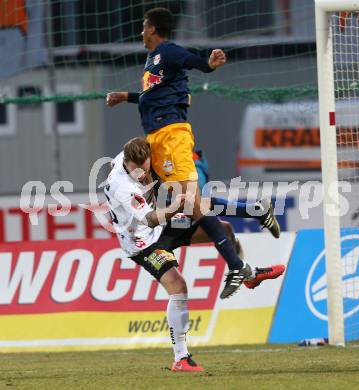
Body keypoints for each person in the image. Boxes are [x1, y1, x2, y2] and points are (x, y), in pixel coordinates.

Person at [106, 7, 281, 299]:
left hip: (172, 135)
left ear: (152, 28)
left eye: (143, 26)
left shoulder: (169, 52)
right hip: (159, 138)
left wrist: (209, 64)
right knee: (192, 203)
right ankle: (255, 212)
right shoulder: (152, 61)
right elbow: (154, 95)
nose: (140, 32)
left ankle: (237, 265)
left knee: (192, 205)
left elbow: (194, 62)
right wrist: (126, 97)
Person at [104, 137, 285, 372]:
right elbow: (150, 219)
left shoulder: (130, 155)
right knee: (178, 286)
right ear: (125, 162)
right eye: (134, 169)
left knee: (215, 221)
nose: (139, 173)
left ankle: (253, 228)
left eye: (143, 166)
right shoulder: (122, 187)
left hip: (160, 228)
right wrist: (174, 207)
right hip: (142, 242)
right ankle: (181, 358)